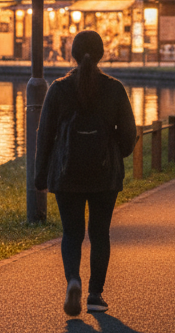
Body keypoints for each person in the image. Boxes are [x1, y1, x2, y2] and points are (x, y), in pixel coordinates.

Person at [35, 30, 137, 316]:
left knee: (72, 232)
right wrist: (117, 154)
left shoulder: (58, 88)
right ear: (102, 54)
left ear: (73, 54)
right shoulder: (114, 89)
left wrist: (40, 176)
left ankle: (73, 281)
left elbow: (45, 136)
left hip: (67, 174)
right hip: (105, 175)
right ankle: (95, 294)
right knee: (100, 232)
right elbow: (129, 133)